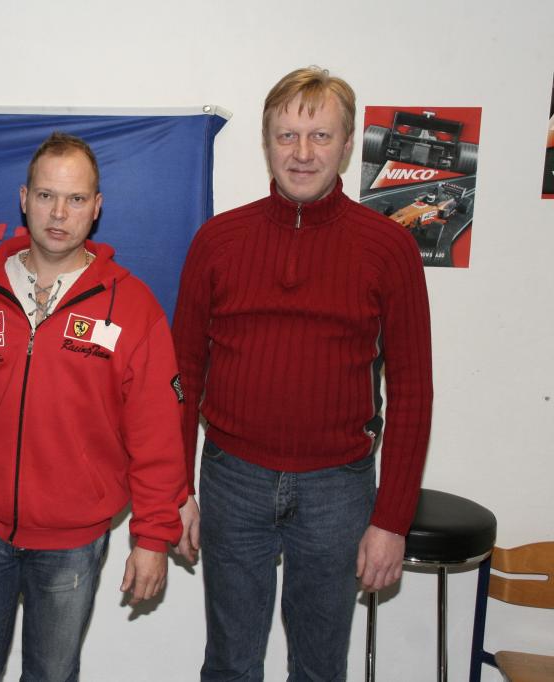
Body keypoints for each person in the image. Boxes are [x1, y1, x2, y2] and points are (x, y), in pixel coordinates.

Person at [172, 67, 434, 681]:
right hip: (233, 479)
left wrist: (391, 520)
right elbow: (182, 374)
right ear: (267, 143)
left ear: (347, 145)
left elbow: (414, 392)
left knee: (319, 669)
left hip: (338, 489)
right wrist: (176, 491)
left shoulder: (388, 248)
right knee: (230, 665)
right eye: (287, 135)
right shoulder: (217, 242)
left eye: (320, 136)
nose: (303, 152)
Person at [0, 131, 189, 682]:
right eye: (46, 196)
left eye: (76, 198)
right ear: (24, 198)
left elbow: (157, 430)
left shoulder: (131, 305)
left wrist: (153, 537)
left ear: (97, 206)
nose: (59, 213)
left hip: (74, 540)